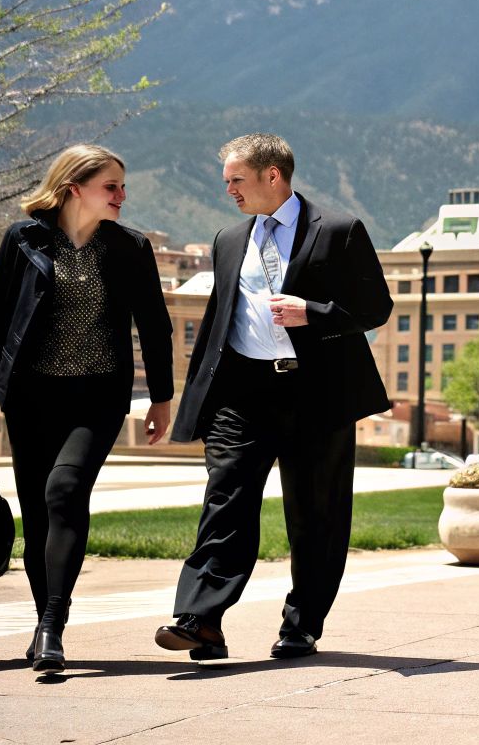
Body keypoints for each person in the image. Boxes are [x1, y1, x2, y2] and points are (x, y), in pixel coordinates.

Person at [156, 135, 392, 662]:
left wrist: (315, 312)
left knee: (316, 514)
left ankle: (302, 624)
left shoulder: (338, 230)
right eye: (226, 181)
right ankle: (201, 619)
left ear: (273, 176)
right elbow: (221, 321)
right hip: (243, 394)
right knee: (226, 501)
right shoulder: (228, 239)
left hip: (317, 394)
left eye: (237, 180)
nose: (229, 191)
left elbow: (375, 307)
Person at [0, 145, 174, 673]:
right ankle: (41, 622)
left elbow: (156, 327)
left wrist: (161, 398)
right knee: (39, 514)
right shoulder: (23, 240)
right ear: (75, 187)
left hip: (96, 398)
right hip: (30, 399)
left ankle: (52, 625)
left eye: (123, 186)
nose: (122, 196)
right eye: (111, 186)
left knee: (65, 490)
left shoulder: (129, 247)